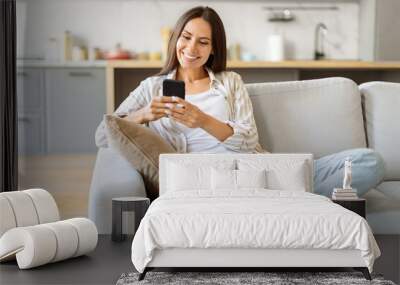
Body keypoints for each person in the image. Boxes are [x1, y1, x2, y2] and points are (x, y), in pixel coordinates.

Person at [95, 6, 384, 197]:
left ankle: (288, 198)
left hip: (259, 170)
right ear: (176, 39)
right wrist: (143, 114)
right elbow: (103, 134)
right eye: (186, 37)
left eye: (203, 42)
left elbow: (248, 139)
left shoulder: (230, 82)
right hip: (213, 185)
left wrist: (203, 120)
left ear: (213, 49)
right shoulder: (151, 88)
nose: (192, 48)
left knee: (368, 162)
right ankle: (293, 200)